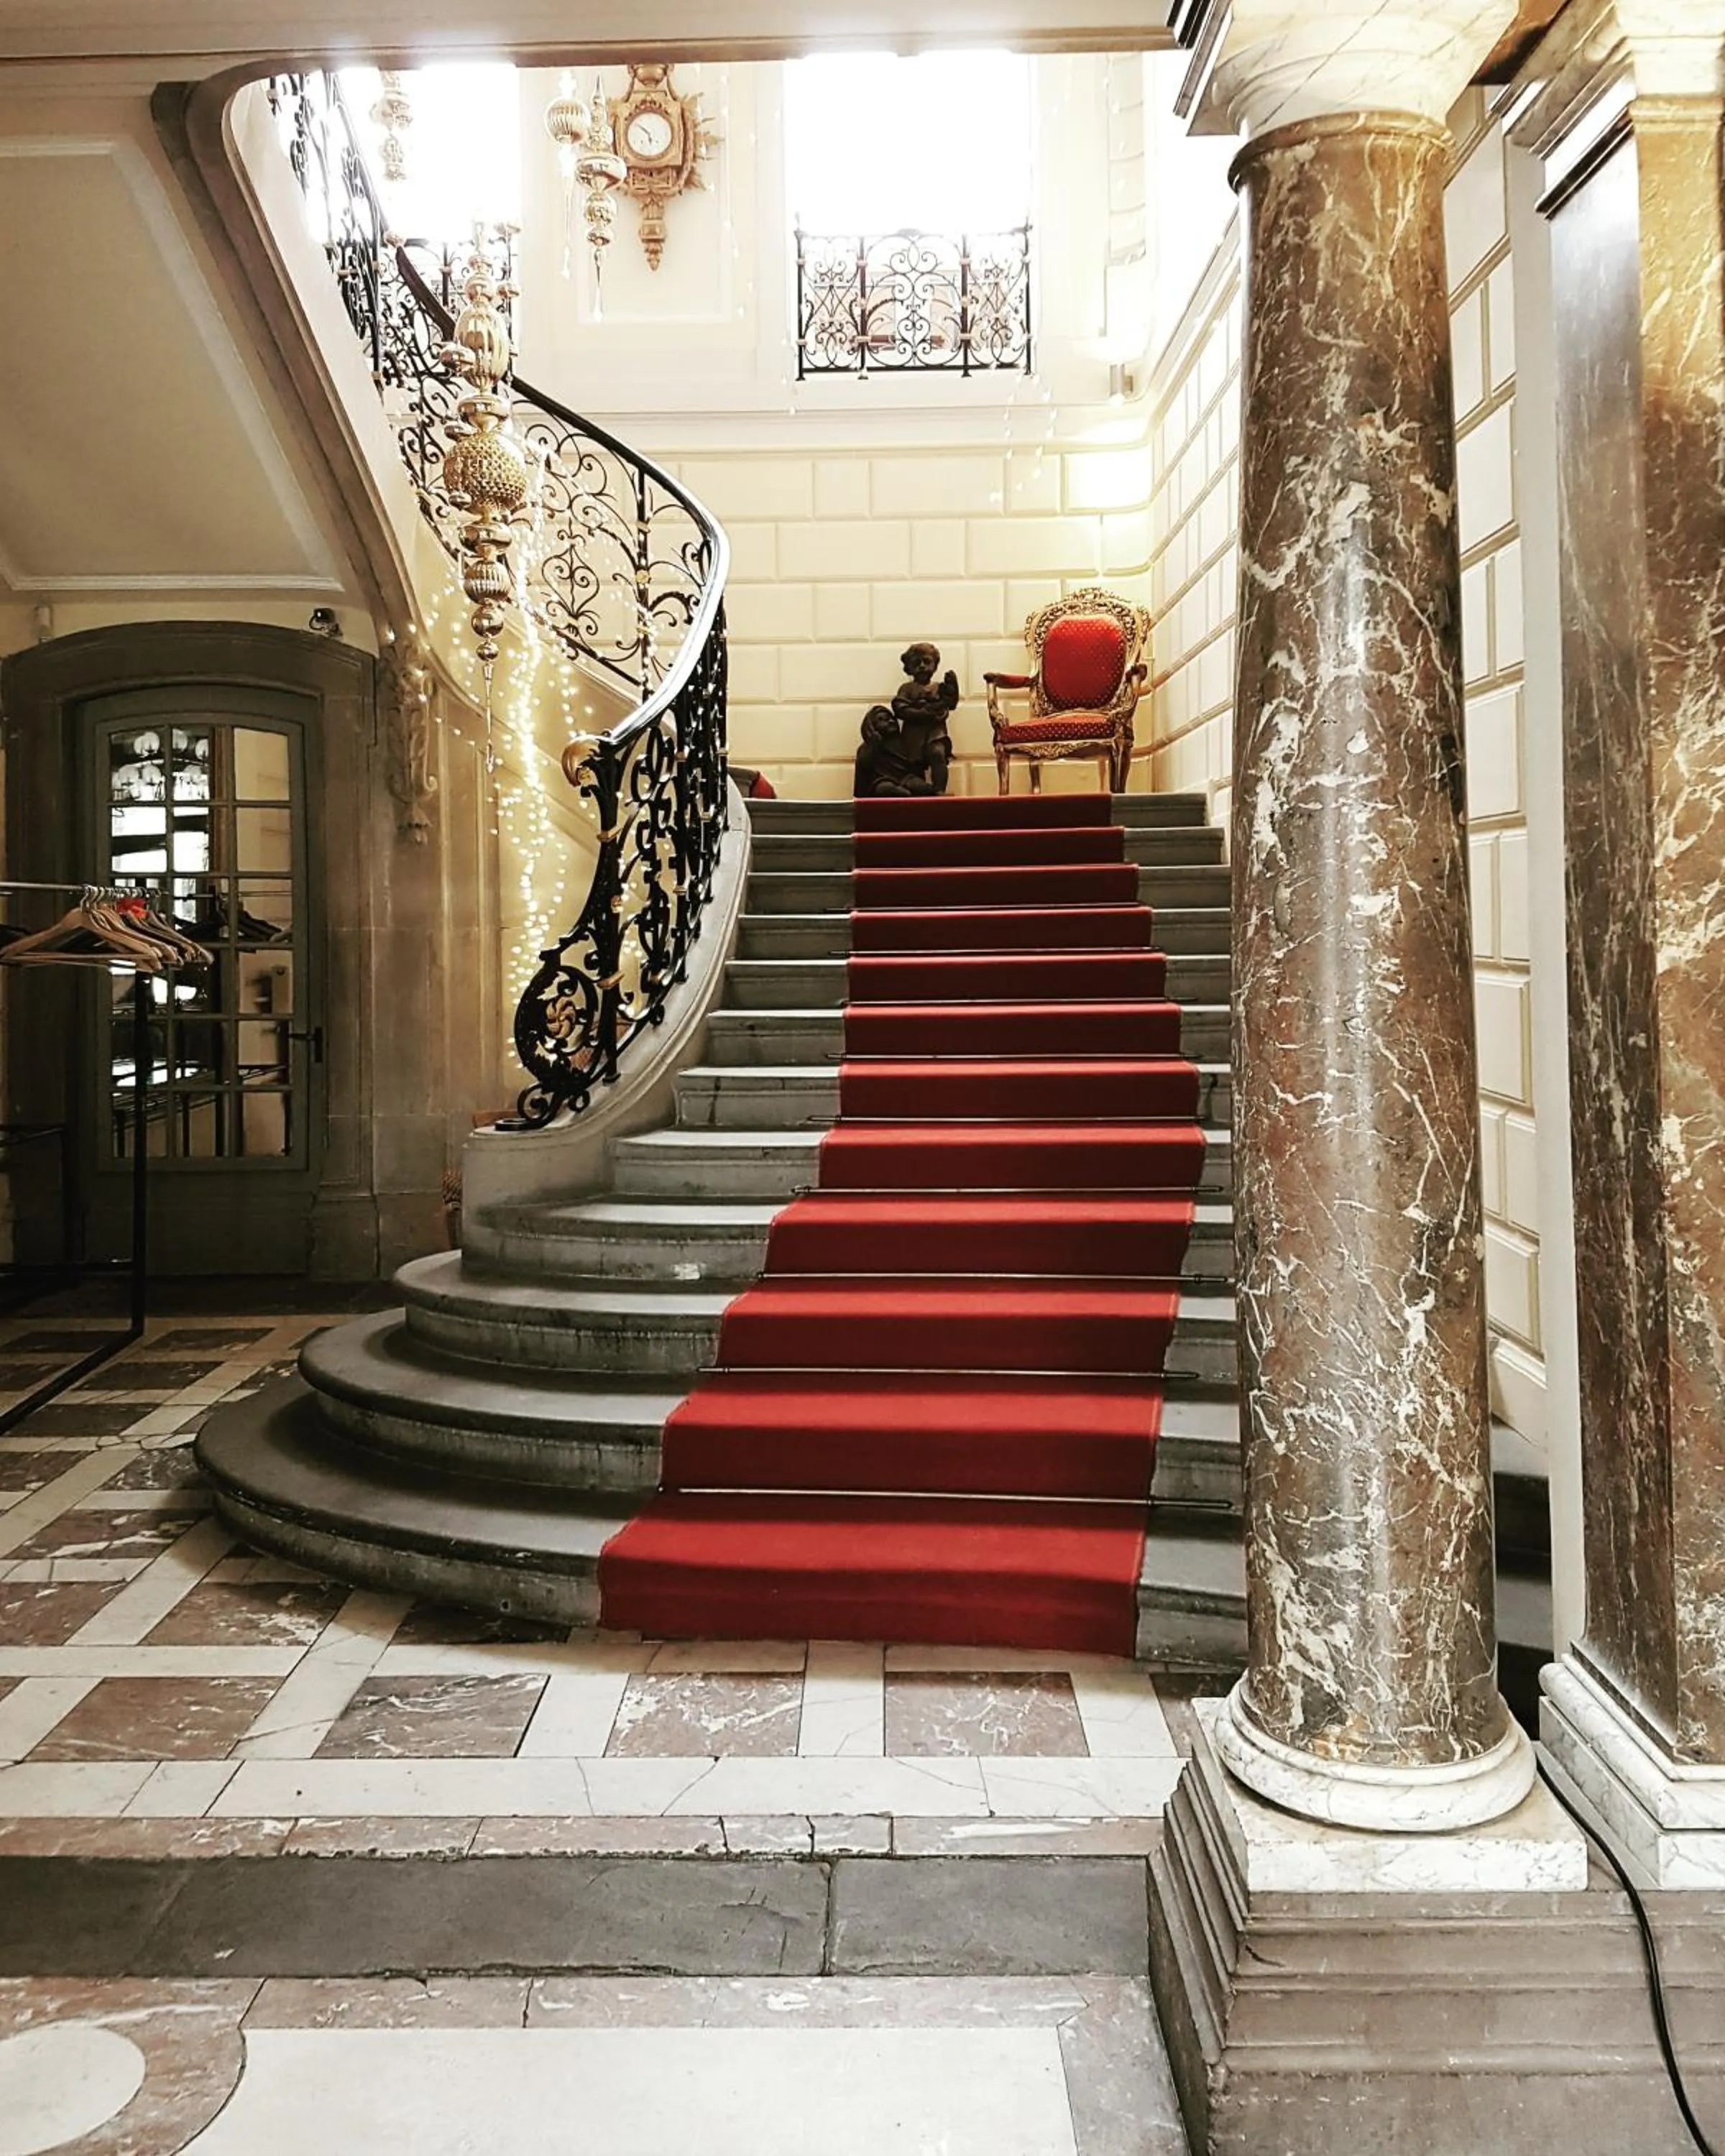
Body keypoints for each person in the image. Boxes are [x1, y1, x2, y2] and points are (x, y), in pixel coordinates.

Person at [854, 642, 959, 796]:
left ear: (935, 665)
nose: (922, 666)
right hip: (914, 737)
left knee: (937, 754)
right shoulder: (907, 689)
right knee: (914, 765)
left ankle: (939, 791)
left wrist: (953, 689)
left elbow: (950, 703)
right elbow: (900, 708)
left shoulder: (939, 688)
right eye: (917, 663)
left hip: (935, 733)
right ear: (909, 668)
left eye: (927, 661)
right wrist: (922, 713)